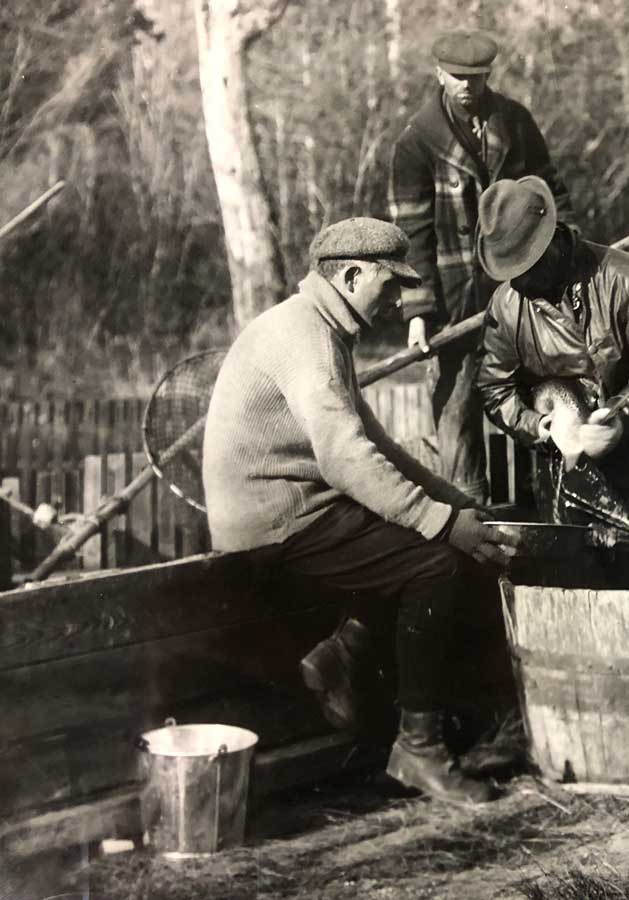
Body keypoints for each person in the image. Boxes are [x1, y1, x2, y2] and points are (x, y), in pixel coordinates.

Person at [202, 217, 517, 804]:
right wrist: (444, 525)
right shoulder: (306, 337)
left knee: (420, 541)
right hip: (274, 526)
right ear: (351, 275)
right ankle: (419, 750)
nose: (399, 300)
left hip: (296, 513)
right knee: (437, 565)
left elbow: (377, 445)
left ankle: (343, 655)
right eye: (391, 285)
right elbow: (347, 461)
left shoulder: (319, 327)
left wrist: (460, 504)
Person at [475, 176, 629, 548]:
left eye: (527, 265)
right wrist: (540, 425)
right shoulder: (506, 306)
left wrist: (619, 417)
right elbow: (494, 388)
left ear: (553, 240)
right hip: (563, 478)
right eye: (510, 270)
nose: (520, 281)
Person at [389, 30, 574, 505]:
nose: (468, 86)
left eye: (477, 76)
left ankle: (552, 508)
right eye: (457, 77)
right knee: (457, 418)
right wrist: (418, 313)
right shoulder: (415, 145)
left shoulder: (515, 123)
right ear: (438, 75)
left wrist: (568, 266)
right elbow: (412, 236)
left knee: (544, 401)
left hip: (524, 292)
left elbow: (553, 196)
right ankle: (469, 526)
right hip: (455, 306)